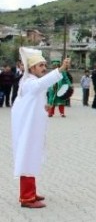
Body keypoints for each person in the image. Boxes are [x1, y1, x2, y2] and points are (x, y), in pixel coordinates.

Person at [11, 48, 70, 208]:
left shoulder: (31, 81)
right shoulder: (30, 82)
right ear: (31, 68)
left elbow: (33, 101)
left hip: (32, 128)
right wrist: (61, 69)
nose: (44, 68)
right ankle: (26, 198)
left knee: (32, 157)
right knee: (28, 158)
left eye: (45, 64)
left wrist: (44, 106)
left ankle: (31, 192)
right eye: (40, 65)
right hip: (28, 130)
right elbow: (41, 84)